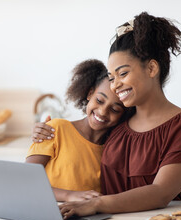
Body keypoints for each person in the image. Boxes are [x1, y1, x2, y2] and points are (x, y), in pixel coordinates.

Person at [32, 12, 181, 219]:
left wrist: (96, 204)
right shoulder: (118, 125)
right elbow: (80, 139)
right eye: (111, 77)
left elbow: (161, 193)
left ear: (152, 68)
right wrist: (42, 131)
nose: (115, 84)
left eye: (123, 73)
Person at [26, 59, 132, 202]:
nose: (102, 111)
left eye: (115, 109)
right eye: (99, 100)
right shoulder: (55, 129)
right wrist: (69, 195)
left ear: (123, 115)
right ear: (90, 94)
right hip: (48, 215)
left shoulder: (113, 150)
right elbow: (26, 180)